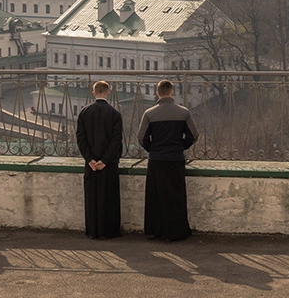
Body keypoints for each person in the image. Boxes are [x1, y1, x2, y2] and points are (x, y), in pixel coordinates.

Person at [138, 79, 199, 241]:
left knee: (156, 196)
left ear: (157, 93)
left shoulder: (149, 113)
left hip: (157, 159)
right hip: (175, 158)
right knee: (175, 195)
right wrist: (180, 146)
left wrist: (153, 149)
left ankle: (156, 230)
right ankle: (176, 231)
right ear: (172, 92)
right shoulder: (183, 112)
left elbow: (141, 137)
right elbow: (194, 135)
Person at [76, 80, 123, 240]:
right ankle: (109, 231)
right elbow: (116, 140)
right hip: (109, 164)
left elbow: (80, 138)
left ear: (93, 92)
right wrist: (105, 160)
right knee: (109, 197)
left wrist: (90, 159)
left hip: (91, 164)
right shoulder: (115, 114)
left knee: (92, 197)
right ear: (108, 92)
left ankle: (93, 230)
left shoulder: (84, 112)